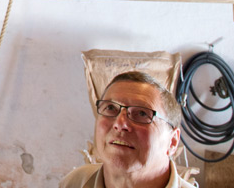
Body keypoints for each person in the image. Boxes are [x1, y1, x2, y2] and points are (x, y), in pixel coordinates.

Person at [59, 71, 195, 188]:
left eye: (142, 113)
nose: (120, 123)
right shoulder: (76, 182)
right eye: (110, 108)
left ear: (172, 141)